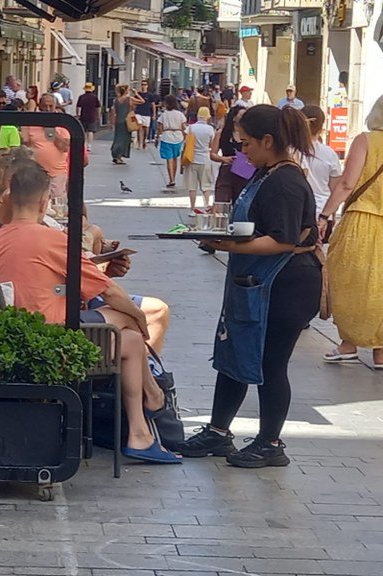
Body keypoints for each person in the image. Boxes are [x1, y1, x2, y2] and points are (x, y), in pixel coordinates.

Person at [0, 159, 181, 464]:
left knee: (131, 341)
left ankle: (141, 431)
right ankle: (151, 403)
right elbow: (109, 291)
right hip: (52, 342)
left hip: (8, 342)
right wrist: (138, 317)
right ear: (44, 202)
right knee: (128, 319)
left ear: (10, 198)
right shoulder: (53, 240)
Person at [177, 104, 321, 468]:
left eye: (245, 144)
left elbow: (283, 240)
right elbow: (238, 196)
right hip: (254, 282)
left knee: (271, 363)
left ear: (267, 141)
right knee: (234, 354)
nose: (241, 151)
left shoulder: (286, 182)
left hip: (286, 285)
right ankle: (218, 431)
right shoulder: (264, 172)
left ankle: (271, 442)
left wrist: (227, 245)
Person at [320, 95, 383, 369]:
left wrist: (325, 214)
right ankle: (381, 351)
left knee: (349, 280)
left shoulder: (366, 141)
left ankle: (348, 343)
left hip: (362, 221)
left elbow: (347, 184)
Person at [21, 93, 70, 198]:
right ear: (39, 106)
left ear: (55, 107)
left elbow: (65, 147)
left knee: (56, 202)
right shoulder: (31, 123)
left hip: (56, 173)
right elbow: (24, 144)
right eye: (44, 106)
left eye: (50, 106)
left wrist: (52, 131)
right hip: (35, 173)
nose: (47, 109)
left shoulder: (63, 123)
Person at [301, 105, 342, 221]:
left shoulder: (290, 150)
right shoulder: (330, 154)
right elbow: (335, 190)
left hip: (296, 213)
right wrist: (331, 215)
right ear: (321, 127)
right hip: (322, 213)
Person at [210, 106, 249, 205]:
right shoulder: (221, 133)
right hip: (227, 169)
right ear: (234, 117)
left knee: (241, 202)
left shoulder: (248, 134)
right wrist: (224, 159)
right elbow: (213, 154)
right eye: (242, 115)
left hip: (244, 170)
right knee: (222, 200)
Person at [184, 107, 215, 211]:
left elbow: (186, 143)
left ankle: (192, 208)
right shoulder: (210, 129)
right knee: (206, 186)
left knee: (192, 187)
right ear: (207, 117)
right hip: (205, 159)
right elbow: (212, 145)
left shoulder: (191, 128)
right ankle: (206, 207)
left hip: (191, 159)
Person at [156, 94, 187, 187]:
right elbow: (183, 127)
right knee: (175, 158)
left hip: (166, 137)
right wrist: (185, 137)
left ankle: (171, 179)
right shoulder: (180, 114)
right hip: (178, 137)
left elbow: (159, 128)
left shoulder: (164, 115)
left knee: (169, 159)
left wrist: (157, 137)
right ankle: (174, 176)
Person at [109, 84, 139, 164]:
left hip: (118, 121)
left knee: (117, 138)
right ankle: (119, 156)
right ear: (126, 90)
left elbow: (113, 112)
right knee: (125, 139)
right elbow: (142, 101)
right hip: (127, 122)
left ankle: (115, 154)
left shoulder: (116, 100)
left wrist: (112, 123)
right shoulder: (129, 99)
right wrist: (136, 94)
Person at [76, 82, 101, 151]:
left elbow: (78, 107)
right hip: (92, 116)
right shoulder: (94, 97)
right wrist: (98, 115)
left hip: (83, 115)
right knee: (90, 131)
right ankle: (89, 145)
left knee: (83, 131)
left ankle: (84, 144)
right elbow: (98, 107)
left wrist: (78, 115)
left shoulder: (81, 97)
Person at [135, 80, 155, 149]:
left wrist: (154, 114)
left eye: (145, 84)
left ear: (147, 86)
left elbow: (153, 105)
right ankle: (139, 143)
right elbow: (134, 102)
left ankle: (144, 140)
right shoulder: (138, 94)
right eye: (142, 84)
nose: (143, 86)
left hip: (146, 113)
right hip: (138, 112)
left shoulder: (150, 95)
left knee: (146, 129)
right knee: (139, 128)